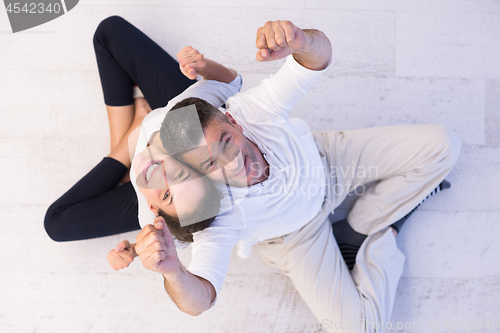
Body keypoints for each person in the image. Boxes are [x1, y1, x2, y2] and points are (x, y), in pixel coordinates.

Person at [134, 19, 462, 331]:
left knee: (444, 146)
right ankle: (383, 234)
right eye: (210, 165)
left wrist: (301, 40)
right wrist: (174, 272)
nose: (232, 164)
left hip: (329, 162)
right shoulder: (218, 214)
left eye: (225, 141)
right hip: (297, 238)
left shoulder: (254, 109)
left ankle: (360, 228)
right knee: (362, 328)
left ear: (232, 121)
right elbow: (199, 302)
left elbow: (319, 56)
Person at [43, 16, 243, 270]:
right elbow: (229, 86)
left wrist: (136, 251)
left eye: (168, 193)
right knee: (109, 31)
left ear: (154, 209)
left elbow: (178, 235)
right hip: (168, 123)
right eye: (180, 173)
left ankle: (130, 137)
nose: (163, 178)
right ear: (191, 162)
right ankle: (133, 136)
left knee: (57, 225)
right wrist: (203, 67)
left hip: (159, 184)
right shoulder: (186, 124)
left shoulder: (155, 209)